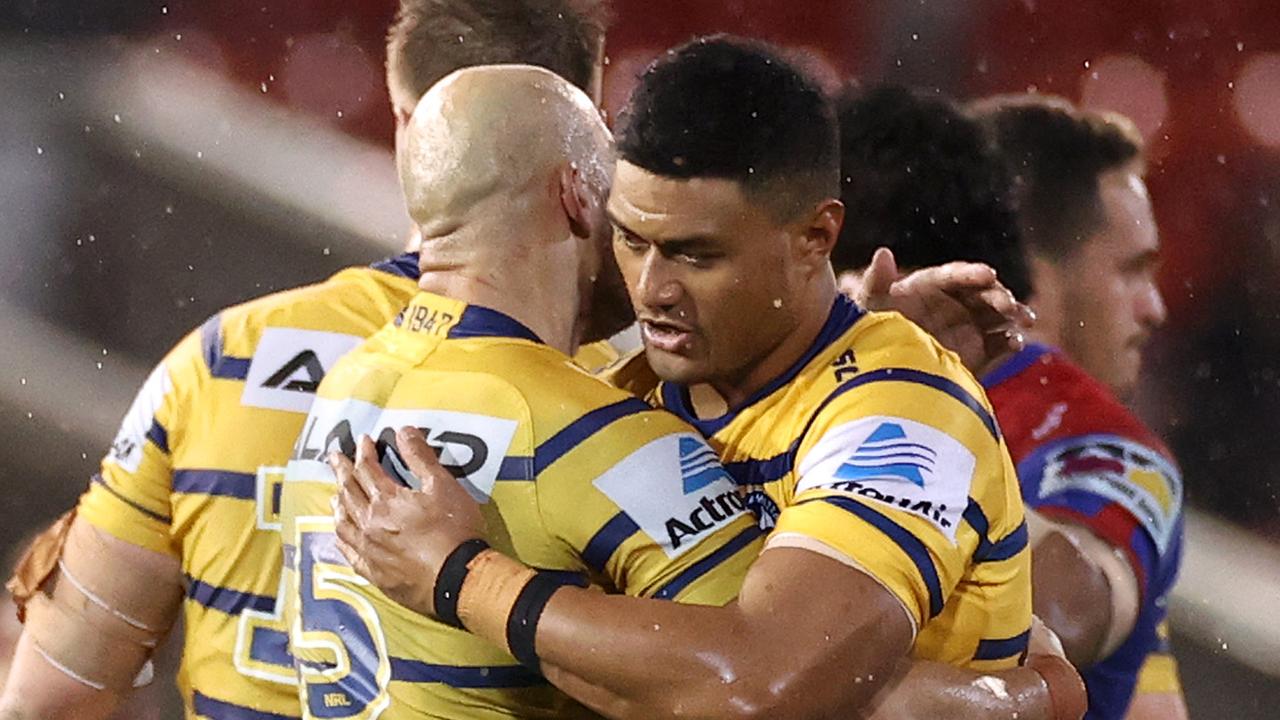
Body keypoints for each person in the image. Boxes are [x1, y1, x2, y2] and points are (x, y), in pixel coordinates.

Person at [331, 36, 1085, 720]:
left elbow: (762, 689)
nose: (652, 288)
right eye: (631, 239)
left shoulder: (903, 410)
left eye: (696, 254)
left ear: (816, 236)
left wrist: (463, 576)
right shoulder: (615, 389)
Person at [0, 2, 612, 718]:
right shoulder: (621, 396)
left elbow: (55, 700)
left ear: (407, 125)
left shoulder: (219, 363)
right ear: (588, 145)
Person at [973, 95, 1187, 720]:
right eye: (1131, 271)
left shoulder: (1102, 455)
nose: (1155, 308)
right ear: (1030, 277)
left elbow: (1066, 614)